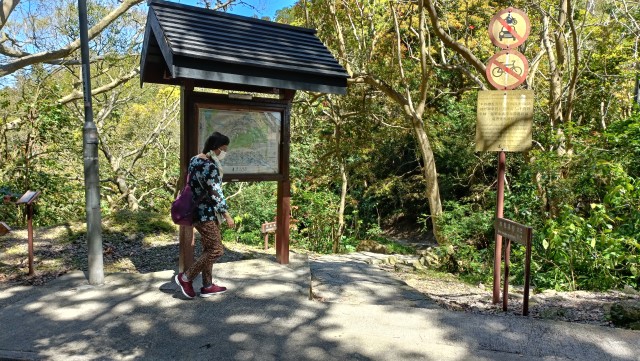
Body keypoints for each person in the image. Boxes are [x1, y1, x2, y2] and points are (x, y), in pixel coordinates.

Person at [175, 131, 235, 299]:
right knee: (216, 250)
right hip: (206, 214)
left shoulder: (195, 160)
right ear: (215, 148)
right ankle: (186, 277)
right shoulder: (210, 166)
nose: (224, 153)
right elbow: (216, 193)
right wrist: (227, 215)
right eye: (223, 149)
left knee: (208, 248)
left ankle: (207, 286)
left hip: (195, 211)